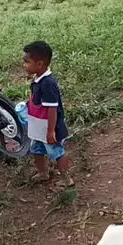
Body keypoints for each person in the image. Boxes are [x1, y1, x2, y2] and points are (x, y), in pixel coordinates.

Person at [22, 41, 74, 188]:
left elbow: (52, 109)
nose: (24, 65)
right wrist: (29, 103)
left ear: (39, 63)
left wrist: (51, 131)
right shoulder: (38, 78)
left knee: (57, 152)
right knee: (36, 149)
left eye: (27, 62)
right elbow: (39, 99)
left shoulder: (48, 84)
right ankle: (43, 173)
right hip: (39, 126)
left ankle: (67, 180)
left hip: (49, 127)